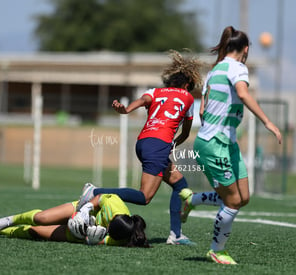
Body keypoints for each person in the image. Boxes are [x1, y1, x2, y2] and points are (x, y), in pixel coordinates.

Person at [77, 50, 203, 245]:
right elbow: (185, 133)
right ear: (187, 86)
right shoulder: (186, 97)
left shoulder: (155, 92)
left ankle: (176, 235)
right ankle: (94, 192)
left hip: (144, 142)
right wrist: (173, 144)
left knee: (180, 184)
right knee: (144, 197)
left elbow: (143, 101)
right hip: (158, 145)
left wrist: (125, 110)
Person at [180, 26, 282, 264]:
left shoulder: (214, 71)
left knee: (243, 197)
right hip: (215, 144)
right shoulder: (237, 67)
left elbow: (203, 110)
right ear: (245, 49)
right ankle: (216, 249)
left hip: (226, 143)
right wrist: (268, 122)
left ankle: (191, 200)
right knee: (233, 201)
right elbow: (243, 94)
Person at [0, 193, 150, 248]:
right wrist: (85, 209)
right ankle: (11, 220)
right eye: (109, 225)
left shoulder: (120, 239)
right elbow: (99, 197)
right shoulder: (116, 206)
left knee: (34, 231)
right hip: (80, 211)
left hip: (80, 235)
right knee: (41, 218)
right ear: (114, 219)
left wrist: (91, 239)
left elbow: (99, 241)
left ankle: (0, 232)